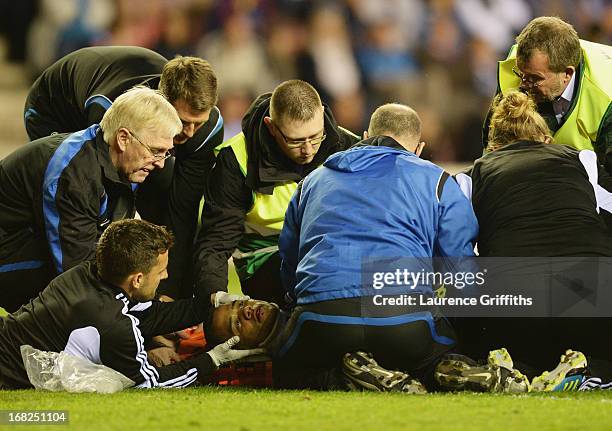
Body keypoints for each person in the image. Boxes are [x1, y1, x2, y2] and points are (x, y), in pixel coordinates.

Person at [205, 104, 488, 392]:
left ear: (365, 135)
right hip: (404, 317)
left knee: (289, 371)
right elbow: (459, 267)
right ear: (419, 148)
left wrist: (299, 301)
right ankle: (435, 369)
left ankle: (352, 376)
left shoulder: (312, 181)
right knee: (438, 350)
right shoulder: (437, 180)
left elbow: (289, 260)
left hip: (321, 319)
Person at [24, 46, 224, 298]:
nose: (190, 132)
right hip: (55, 110)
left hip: (110, 98)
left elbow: (182, 212)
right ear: (162, 102)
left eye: (200, 122)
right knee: (84, 201)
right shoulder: (116, 110)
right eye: (183, 121)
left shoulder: (207, 131)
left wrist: (168, 294)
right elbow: (108, 194)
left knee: (165, 186)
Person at [457, 90, 612, 381]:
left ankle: (517, 366)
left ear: (492, 148)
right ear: (546, 139)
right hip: (594, 303)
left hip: (516, 311)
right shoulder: (582, 161)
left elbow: (454, 252)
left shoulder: (472, 175)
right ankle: (591, 368)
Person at [0, 219, 263, 390]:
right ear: (137, 279)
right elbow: (151, 381)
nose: (166, 277)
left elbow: (148, 316)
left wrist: (209, 303)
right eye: (161, 272)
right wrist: (212, 360)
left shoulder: (86, 273)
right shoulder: (113, 324)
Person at [0, 87, 181, 312]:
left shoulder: (121, 162)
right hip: (9, 250)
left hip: (27, 240)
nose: (161, 163)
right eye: (155, 151)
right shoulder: (74, 174)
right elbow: (73, 269)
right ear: (123, 138)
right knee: (80, 295)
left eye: (166, 152)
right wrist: (139, 315)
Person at [193, 80, 359, 304]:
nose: (307, 150)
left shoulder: (348, 145)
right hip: (266, 258)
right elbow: (216, 240)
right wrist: (214, 299)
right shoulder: (236, 160)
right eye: (295, 141)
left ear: (322, 113)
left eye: (315, 136)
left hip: (332, 249)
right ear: (271, 126)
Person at [481, 16, 612, 174]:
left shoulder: (606, 98)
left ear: (567, 74)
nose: (523, 84)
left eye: (535, 79)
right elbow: (492, 153)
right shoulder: (520, 69)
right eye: (521, 74)